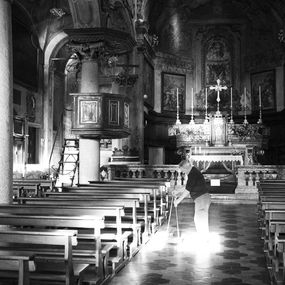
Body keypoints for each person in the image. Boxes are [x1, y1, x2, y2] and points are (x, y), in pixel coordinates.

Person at [174, 158, 211, 238]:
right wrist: (178, 191)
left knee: (200, 220)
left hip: (202, 199)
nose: (183, 173)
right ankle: (203, 238)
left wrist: (178, 201)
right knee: (198, 219)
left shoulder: (193, 173)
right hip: (202, 199)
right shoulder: (193, 172)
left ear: (185, 168)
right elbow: (188, 186)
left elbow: (187, 190)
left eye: (183, 171)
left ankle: (204, 239)